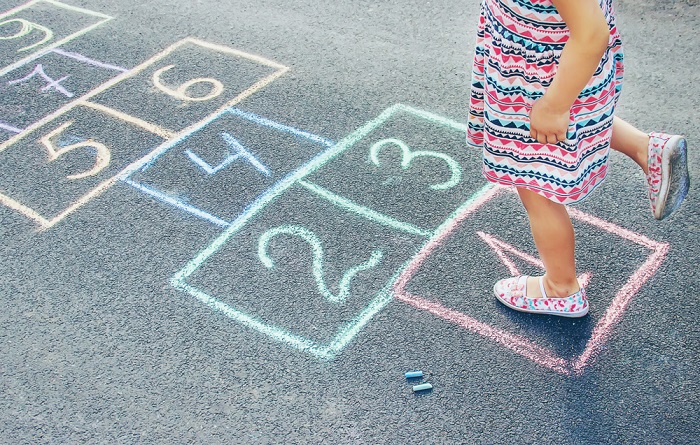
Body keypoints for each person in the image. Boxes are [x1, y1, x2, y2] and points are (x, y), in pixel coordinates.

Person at [466, 0, 690, 317]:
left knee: (535, 185)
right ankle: (645, 148)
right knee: (578, 125)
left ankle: (560, 288)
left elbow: (590, 34)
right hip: (552, 65)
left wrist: (554, 106)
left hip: (545, 79)